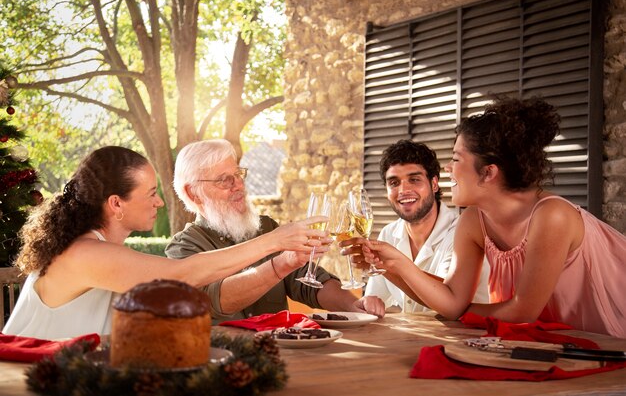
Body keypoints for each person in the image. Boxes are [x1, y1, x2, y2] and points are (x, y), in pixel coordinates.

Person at [345, 95, 626, 338]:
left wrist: (452, 312)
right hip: (559, 345)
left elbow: (521, 311)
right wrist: (393, 265)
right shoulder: (473, 221)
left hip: (610, 335)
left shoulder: (552, 215)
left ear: (488, 172)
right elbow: (452, 301)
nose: (447, 169)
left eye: (456, 159)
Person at [3, 146, 328, 340]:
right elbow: (183, 275)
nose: (159, 203)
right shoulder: (85, 254)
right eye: (151, 194)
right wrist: (273, 241)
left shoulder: (100, 249)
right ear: (116, 204)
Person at [165, 139, 385, 323]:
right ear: (193, 193)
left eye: (238, 174)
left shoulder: (265, 227)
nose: (238, 185)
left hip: (280, 355)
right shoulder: (183, 249)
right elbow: (212, 301)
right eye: (224, 180)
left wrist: (353, 305)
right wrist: (281, 262)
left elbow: (308, 282)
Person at [363, 140, 489, 313]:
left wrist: (396, 265)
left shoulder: (461, 232)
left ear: (434, 183)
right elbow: (377, 298)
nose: (403, 190)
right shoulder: (388, 234)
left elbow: (447, 303)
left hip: (464, 336)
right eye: (394, 183)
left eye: (414, 180)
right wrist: (369, 302)